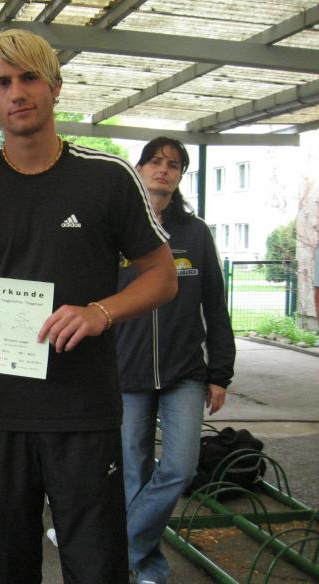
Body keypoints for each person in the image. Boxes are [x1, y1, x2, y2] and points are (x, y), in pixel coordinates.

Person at [0, 29, 178, 584]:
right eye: (2, 82)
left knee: (96, 568)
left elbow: (163, 278)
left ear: (55, 87)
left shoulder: (107, 179)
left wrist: (100, 312)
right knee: (7, 568)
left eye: (30, 78)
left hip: (83, 414)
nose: (17, 93)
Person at [117, 137, 236, 584]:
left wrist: (220, 372)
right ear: (140, 169)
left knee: (180, 468)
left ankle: (116, 549)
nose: (163, 169)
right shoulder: (116, 230)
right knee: (133, 472)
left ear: (181, 176)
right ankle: (148, 566)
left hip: (184, 372)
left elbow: (215, 306)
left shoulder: (195, 233)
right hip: (126, 372)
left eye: (173, 164)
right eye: (154, 161)